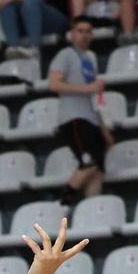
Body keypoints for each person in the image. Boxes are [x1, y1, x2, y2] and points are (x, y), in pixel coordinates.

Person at [49, 18, 111, 204]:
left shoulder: (90, 58)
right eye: (80, 31)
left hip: (91, 117)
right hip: (74, 117)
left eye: (87, 31)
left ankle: (92, 211)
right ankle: (63, 200)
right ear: (72, 34)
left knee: (98, 169)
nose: (84, 35)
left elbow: (94, 96)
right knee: (89, 163)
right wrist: (88, 89)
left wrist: (103, 128)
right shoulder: (66, 55)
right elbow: (54, 84)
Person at [0, 0, 73, 61]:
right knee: (8, 7)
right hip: (31, 22)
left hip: (57, 22)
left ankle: (34, 48)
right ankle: (13, 48)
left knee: (31, 2)